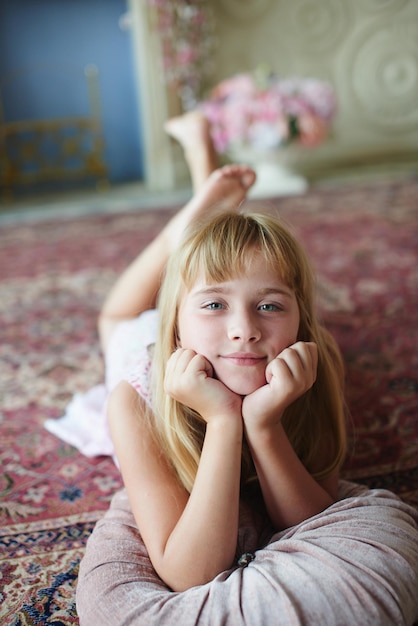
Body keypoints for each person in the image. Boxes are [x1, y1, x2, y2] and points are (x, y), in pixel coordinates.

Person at [76, 113, 418, 625]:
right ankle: (197, 197)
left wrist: (263, 422)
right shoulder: (134, 397)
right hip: (141, 338)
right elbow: (187, 572)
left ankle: (206, 210)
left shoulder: (316, 359)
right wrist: (220, 421)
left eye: (271, 306)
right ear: (175, 328)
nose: (245, 330)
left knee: (214, 265)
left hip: (191, 326)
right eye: (215, 307)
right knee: (117, 316)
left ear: (302, 317)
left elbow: (306, 519)